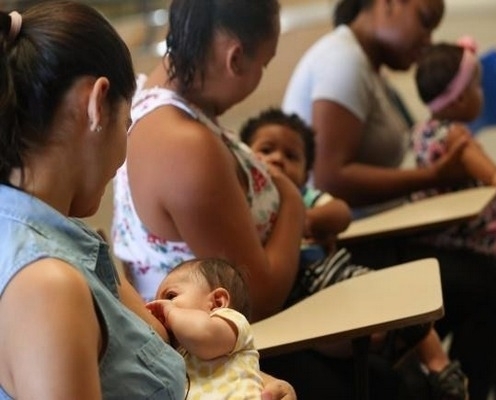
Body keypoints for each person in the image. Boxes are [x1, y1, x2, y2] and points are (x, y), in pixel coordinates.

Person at [0, 3, 296, 399]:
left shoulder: (65, 238)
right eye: (127, 125)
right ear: (97, 104)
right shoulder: (48, 284)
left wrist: (244, 383)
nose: (124, 157)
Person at [111, 0, 402, 397]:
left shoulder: (175, 105)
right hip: (231, 346)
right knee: (394, 380)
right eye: (264, 63)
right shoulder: (183, 145)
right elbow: (258, 298)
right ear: (235, 59)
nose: (260, 74)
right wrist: (294, 204)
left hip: (267, 317)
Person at [281, 0, 496, 398]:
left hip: (379, 232)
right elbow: (332, 177)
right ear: (387, 5)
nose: (428, 41)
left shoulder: (364, 64)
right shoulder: (343, 63)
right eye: (424, 23)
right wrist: (432, 177)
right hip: (347, 250)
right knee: (493, 285)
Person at [240, 107, 468, 400]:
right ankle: (396, 350)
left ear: (307, 172)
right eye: (266, 150)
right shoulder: (249, 204)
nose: (277, 160)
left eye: (291, 156)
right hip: (299, 294)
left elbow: (341, 212)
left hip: (334, 271)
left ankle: (440, 366)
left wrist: (303, 218)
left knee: (402, 302)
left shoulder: (304, 196)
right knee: (350, 338)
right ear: (245, 159)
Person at [412, 38, 496, 262]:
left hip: (439, 223)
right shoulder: (455, 134)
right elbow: (471, 155)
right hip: (468, 226)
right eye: (477, 86)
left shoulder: (421, 130)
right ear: (459, 99)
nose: (481, 93)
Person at [147, 257, 263, 400]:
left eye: (170, 296)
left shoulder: (232, 321)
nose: (161, 306)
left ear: (217, 302)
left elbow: (201, 334)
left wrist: (170, 312)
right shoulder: (179, 351)